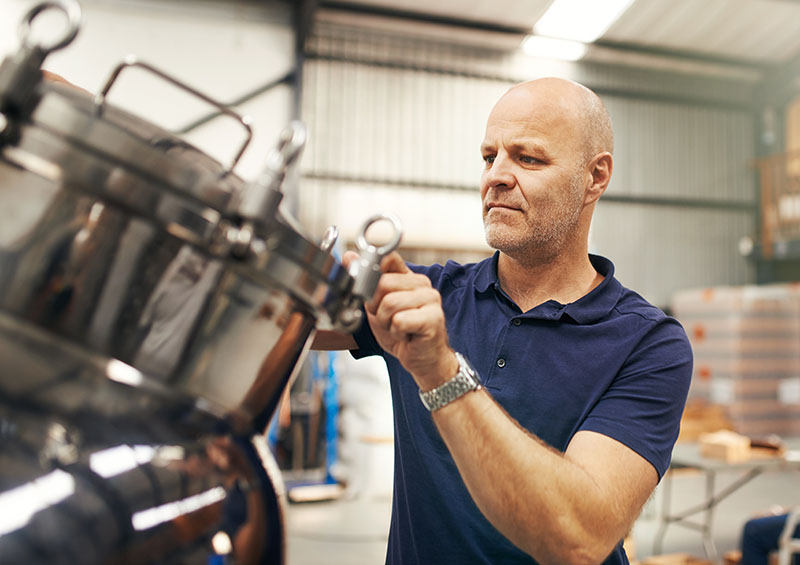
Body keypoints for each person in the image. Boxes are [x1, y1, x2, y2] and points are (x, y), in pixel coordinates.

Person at [314, 77, 693, 564]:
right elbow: (280, 316)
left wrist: (440, 371)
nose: (496, 175)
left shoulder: (648, 343)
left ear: (595, 177)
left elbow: (579, 537)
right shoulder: (426, 295)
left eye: (528, 158)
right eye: (489, 157)